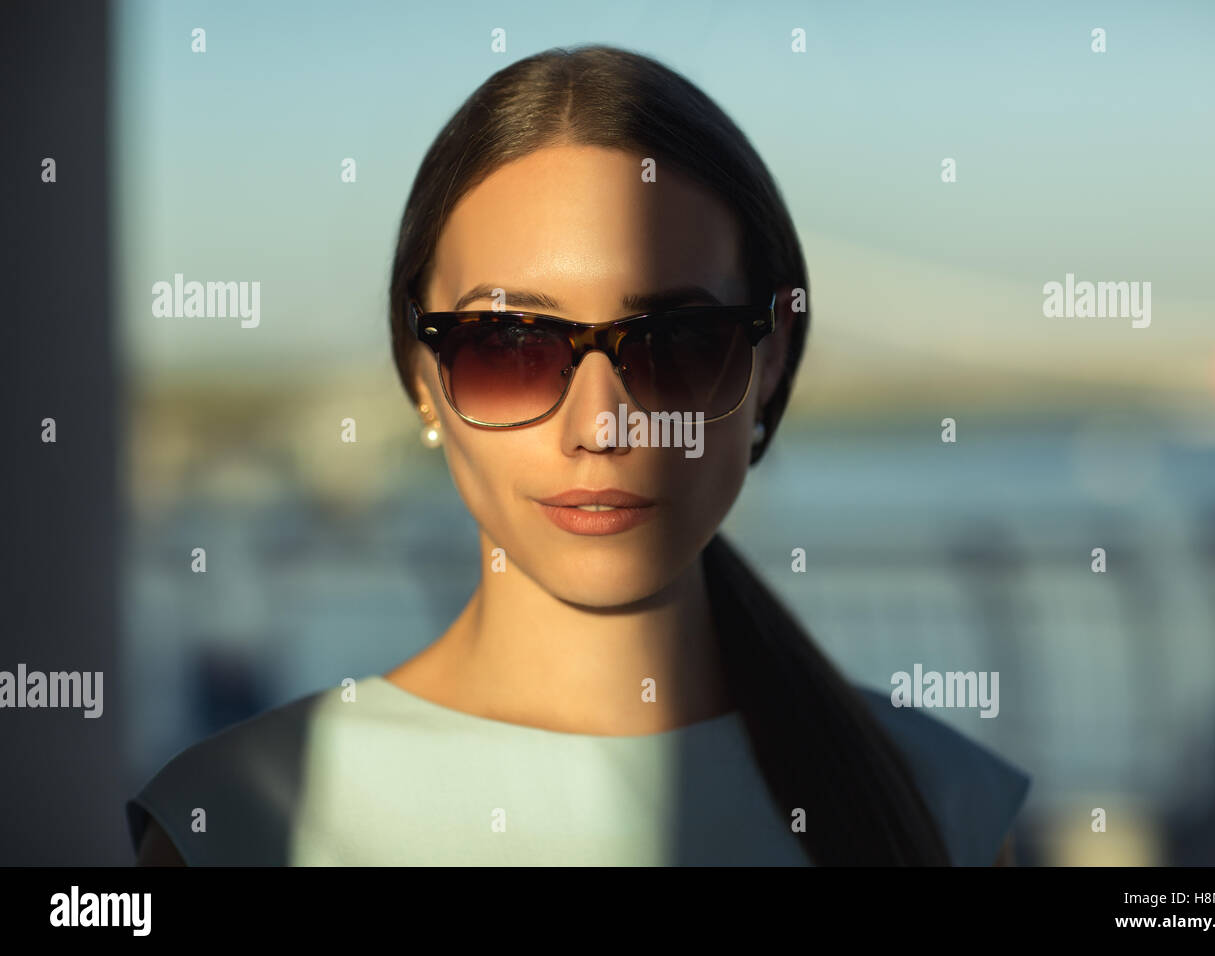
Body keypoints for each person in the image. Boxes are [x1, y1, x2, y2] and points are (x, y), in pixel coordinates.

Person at [128, 43, 1030, 866]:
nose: (602, 425)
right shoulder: (236, 822)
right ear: (420, 373)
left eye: (678, 343)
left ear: (771, 359)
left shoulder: (946, 805)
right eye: (508, 346)